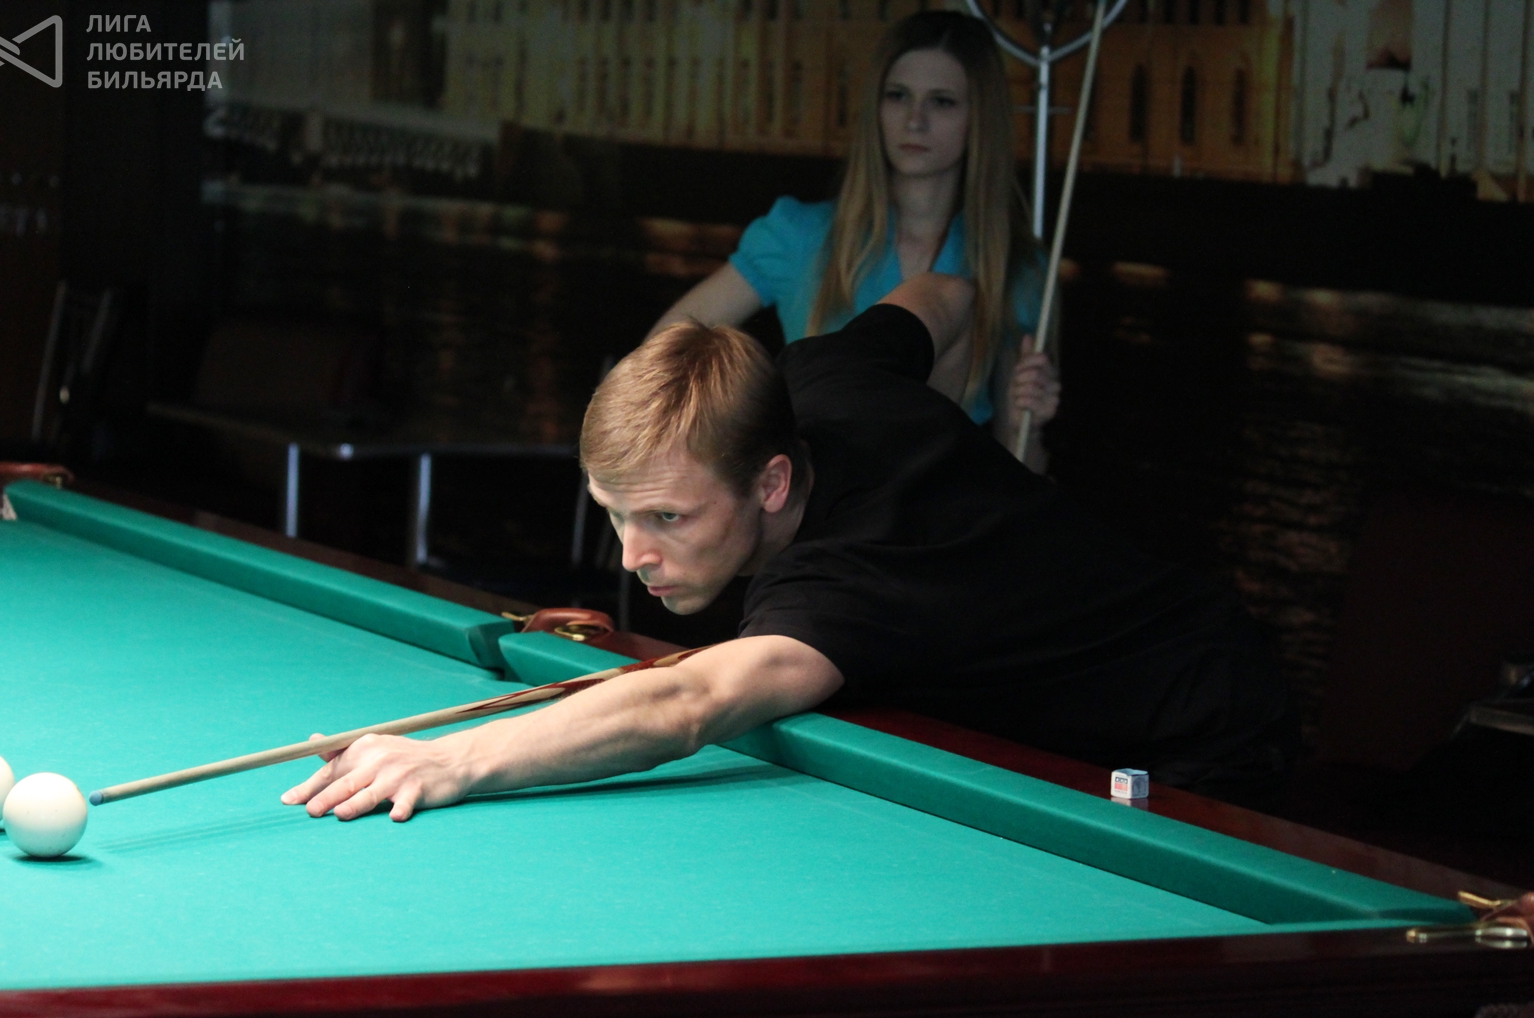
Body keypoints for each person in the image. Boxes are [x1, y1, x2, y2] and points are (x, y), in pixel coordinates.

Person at [282, 274, 1298, 823]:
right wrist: (967, 387)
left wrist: (451, 760)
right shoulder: (816, 374)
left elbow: (685, 704)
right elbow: (942, 293)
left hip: (1198, 720)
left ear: (771, 483)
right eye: (614, 513)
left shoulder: (848, 584)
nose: (631, 556)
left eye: (668, 519)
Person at [648, 11, 1060, 470]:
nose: (915, 121)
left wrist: (1029, 424)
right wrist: (731, 450)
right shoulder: (798, 235)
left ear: (979, 117)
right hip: (812, 498)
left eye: (942, 102)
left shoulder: (1014, 265)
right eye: (897, 95)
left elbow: (1016, 470)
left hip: (941, 504)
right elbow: (661, 355)